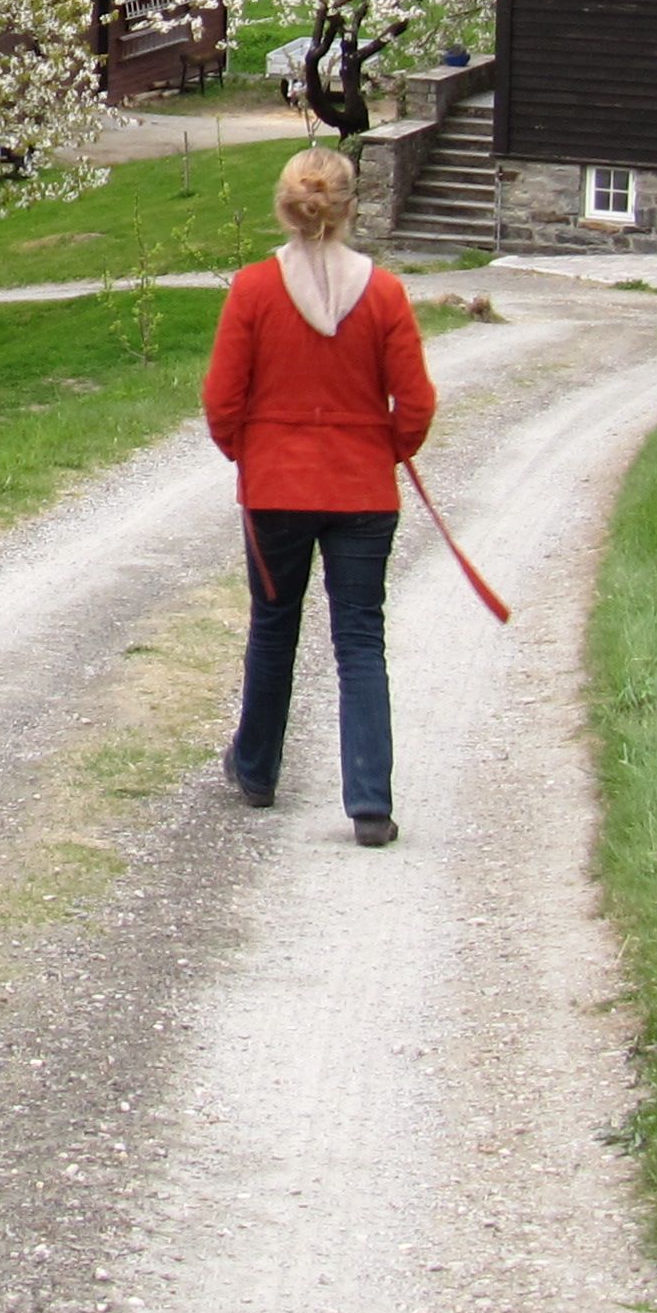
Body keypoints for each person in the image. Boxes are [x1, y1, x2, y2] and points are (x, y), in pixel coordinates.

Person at [199, 146, 437, 846]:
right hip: (363, 490)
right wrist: (385, 448)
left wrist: (253, 452)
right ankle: (369, 802)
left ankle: (257, 770)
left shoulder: (252, 290)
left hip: (275, 488)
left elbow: (221, 402)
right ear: (348, 206)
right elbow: (416, 403)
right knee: (359, 638)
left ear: (287, 206)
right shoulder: (386, 294)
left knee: (274, 625)